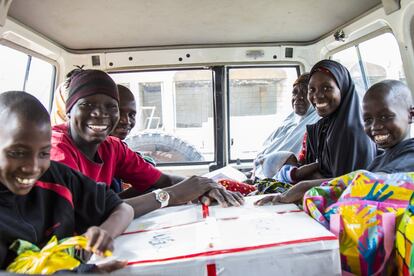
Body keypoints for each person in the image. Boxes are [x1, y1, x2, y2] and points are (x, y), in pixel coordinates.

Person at [50, 69, 244, 218]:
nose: (100, 114)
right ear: (69, 111)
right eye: (87, 105)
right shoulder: (56, 149)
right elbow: (85, 215)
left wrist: (204, 185)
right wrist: (170, 195)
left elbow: (161, 180)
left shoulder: (112, 147)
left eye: (111, 107)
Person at [0, 91, 133, 272]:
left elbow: (122, 208)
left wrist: (101, 235)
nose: (32, 167)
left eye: (44, 153)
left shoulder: (57, 177)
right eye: (17, 153)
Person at [256, 59, 376, 205]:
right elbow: (315, 169)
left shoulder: (353, 132)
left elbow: (354, 187)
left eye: (326, 88)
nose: (317, 96)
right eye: (312, 90)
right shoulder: (322, 127)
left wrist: (302, 186)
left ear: (342, 89)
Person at [252, 73, 319, 179]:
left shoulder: (316, 124)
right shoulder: (290, 121)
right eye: (295, 93)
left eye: (305, 93)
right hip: (258, 176)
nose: (298, 97)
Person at [363, 80, 414, 173]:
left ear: (410, 115)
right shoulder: (378, 160)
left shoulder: (411, 155)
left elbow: (379, 180)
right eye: (368, 120)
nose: (375, 126)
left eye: (385, 117)